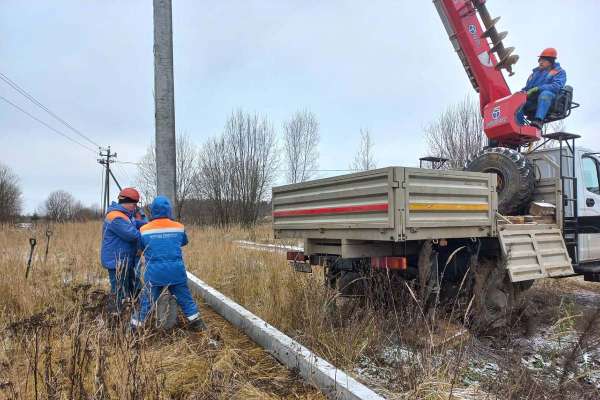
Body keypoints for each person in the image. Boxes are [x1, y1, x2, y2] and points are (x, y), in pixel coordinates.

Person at [131, 195, 206, 332]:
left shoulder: (144, 229)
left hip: (154, 274)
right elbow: (183, 242)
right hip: (176, 272)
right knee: (186, 299)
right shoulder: (179, 227)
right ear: (169, 210)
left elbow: (141, 247)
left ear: (153, 211)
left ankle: (134, 328)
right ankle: (198, 324)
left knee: (146, 302)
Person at [100, 187, 142, 312]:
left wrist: (150, 225)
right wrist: (149, 233)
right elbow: (133, 235)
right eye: (134, 204)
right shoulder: (116, 218)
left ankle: (125, 311)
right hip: (116, 261)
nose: (135, 207)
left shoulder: (125, 215)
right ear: (127, 203)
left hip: (123, 260)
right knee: (119, 290)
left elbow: (135, 224)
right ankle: (116, 315)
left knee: (127, 288)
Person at [519, 47, 567, 129]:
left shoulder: (559, 72)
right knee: (518, 102)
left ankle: (538, 120)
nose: (540, 62)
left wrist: (538, 88)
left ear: (550, 61)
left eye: (543, 60)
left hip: (551, 100)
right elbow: (527, 88)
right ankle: (519, 126)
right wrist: (520, 93)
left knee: (545, 94)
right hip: (534, 100)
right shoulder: (534, 74)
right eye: (539, 60)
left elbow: (556, 86)